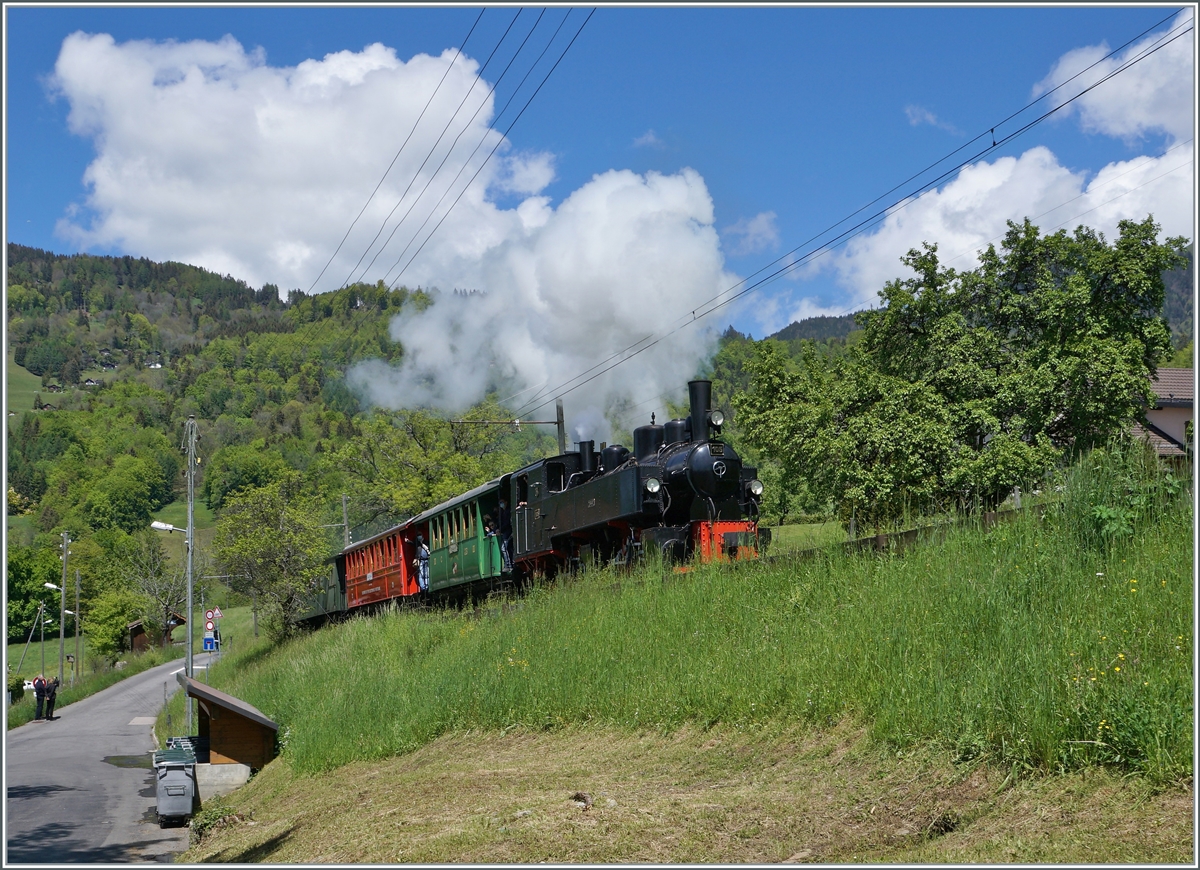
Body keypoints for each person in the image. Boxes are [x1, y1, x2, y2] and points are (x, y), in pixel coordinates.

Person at [496, 499, 513, 572]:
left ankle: (508, 565)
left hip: (508, 531)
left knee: (504, 548)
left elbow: (507, 522)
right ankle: (508, 564)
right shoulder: (502, 512)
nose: (501, 504)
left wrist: (500, 529)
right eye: (500, 503)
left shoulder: (508, 511)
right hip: (505, 532)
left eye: (502, 502)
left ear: (506, 502)